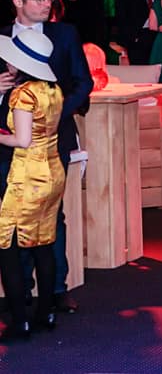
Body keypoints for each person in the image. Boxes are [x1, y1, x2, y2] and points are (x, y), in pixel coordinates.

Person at [0, 29, 65, 340]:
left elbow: (22, 140)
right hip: (52, 170)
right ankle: (46, 313)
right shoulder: (53, 90)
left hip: (27, 175)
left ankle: (20, 322)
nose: (7, 64)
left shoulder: (23, 94)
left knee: (7, 246)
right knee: (44, 243)